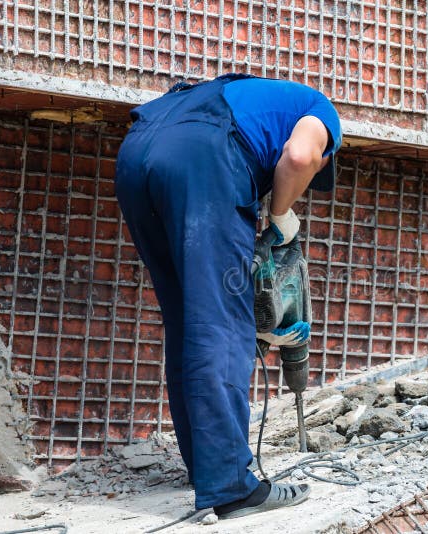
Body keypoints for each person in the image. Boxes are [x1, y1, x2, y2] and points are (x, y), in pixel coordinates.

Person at [114, 74, 342, 519]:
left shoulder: (236, 96)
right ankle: (231, 487)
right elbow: (300, 155)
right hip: (204, 159)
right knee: (220, 322)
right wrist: (279, 217)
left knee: (186, 319)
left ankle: (207, 467)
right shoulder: (322, 109)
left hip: (135, 156)